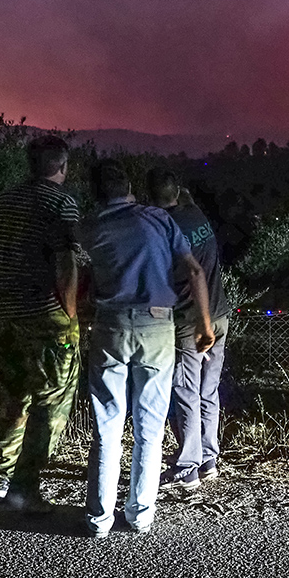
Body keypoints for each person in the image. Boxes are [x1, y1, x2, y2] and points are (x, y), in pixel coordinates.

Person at [81, 159, 215, 537]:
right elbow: (194, 270)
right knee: (149, 427)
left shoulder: (91, 224)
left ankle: (99, 518)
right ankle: (140, 514)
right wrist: (205, 323)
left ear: (96, 193)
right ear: (130, 189)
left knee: (107, 425)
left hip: (111, 325)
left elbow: (75, 264)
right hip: (158, 326)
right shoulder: (159, 219)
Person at [0, 134, 80, 513]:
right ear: (63, 167)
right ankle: (26, 487)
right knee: (51, 402)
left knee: (12, 397)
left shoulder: (2, 201)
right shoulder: (62, 204)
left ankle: (2, 478)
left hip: (4, 315)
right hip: (45, 317)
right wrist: (69, 314)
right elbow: (65, 263)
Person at [146, 170, 232, 490]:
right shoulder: (195, 214)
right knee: (208, 390)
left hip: (191, 322)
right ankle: (208, 457)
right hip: (220, 314)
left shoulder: (166, 228)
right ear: (179, 194)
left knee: (184, 392)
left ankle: (187, 466)